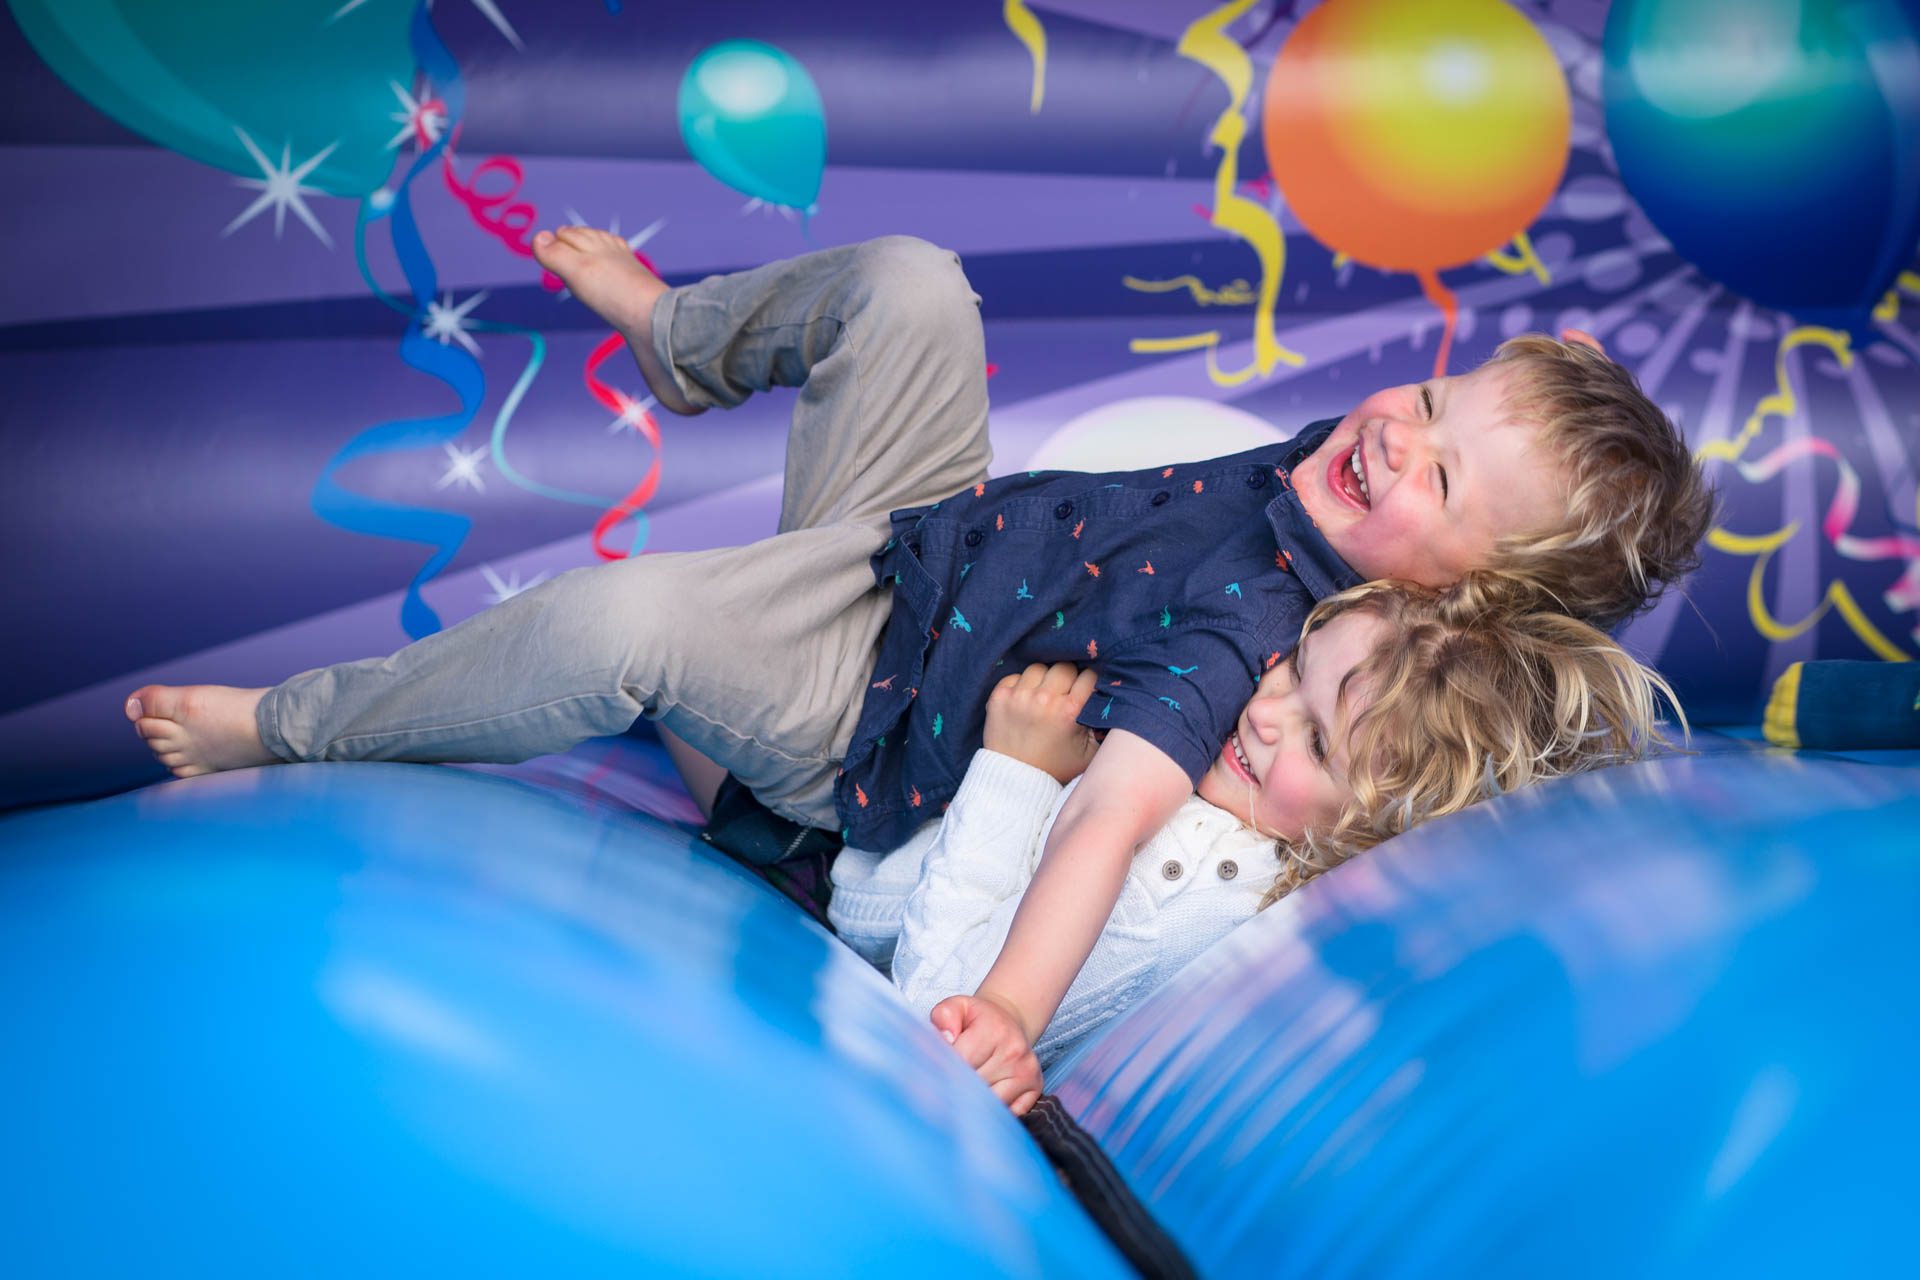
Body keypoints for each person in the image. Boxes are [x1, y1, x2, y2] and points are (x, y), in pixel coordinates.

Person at [126, 230, 1713, 1108]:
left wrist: (1012, 1010)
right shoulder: (1341, 467)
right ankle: (687, 339)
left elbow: (1102, 824)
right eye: (1431, 403)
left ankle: (288, 723)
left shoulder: (1258, 634)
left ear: (1477, 590)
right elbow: (1438, 449)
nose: (1396, 437)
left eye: (1440, 479)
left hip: (870, 712)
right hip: (911, 549)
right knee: (911, 287)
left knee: (628, 625)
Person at [831, 578, 1683, 1109]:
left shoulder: (1195, 888)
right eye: (1291, 667)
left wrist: (1016, 773)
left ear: (1386, 821)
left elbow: (932, 991)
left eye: (1317, 743)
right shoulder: (1229, 801)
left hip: (834, 843)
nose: (1263, 712)